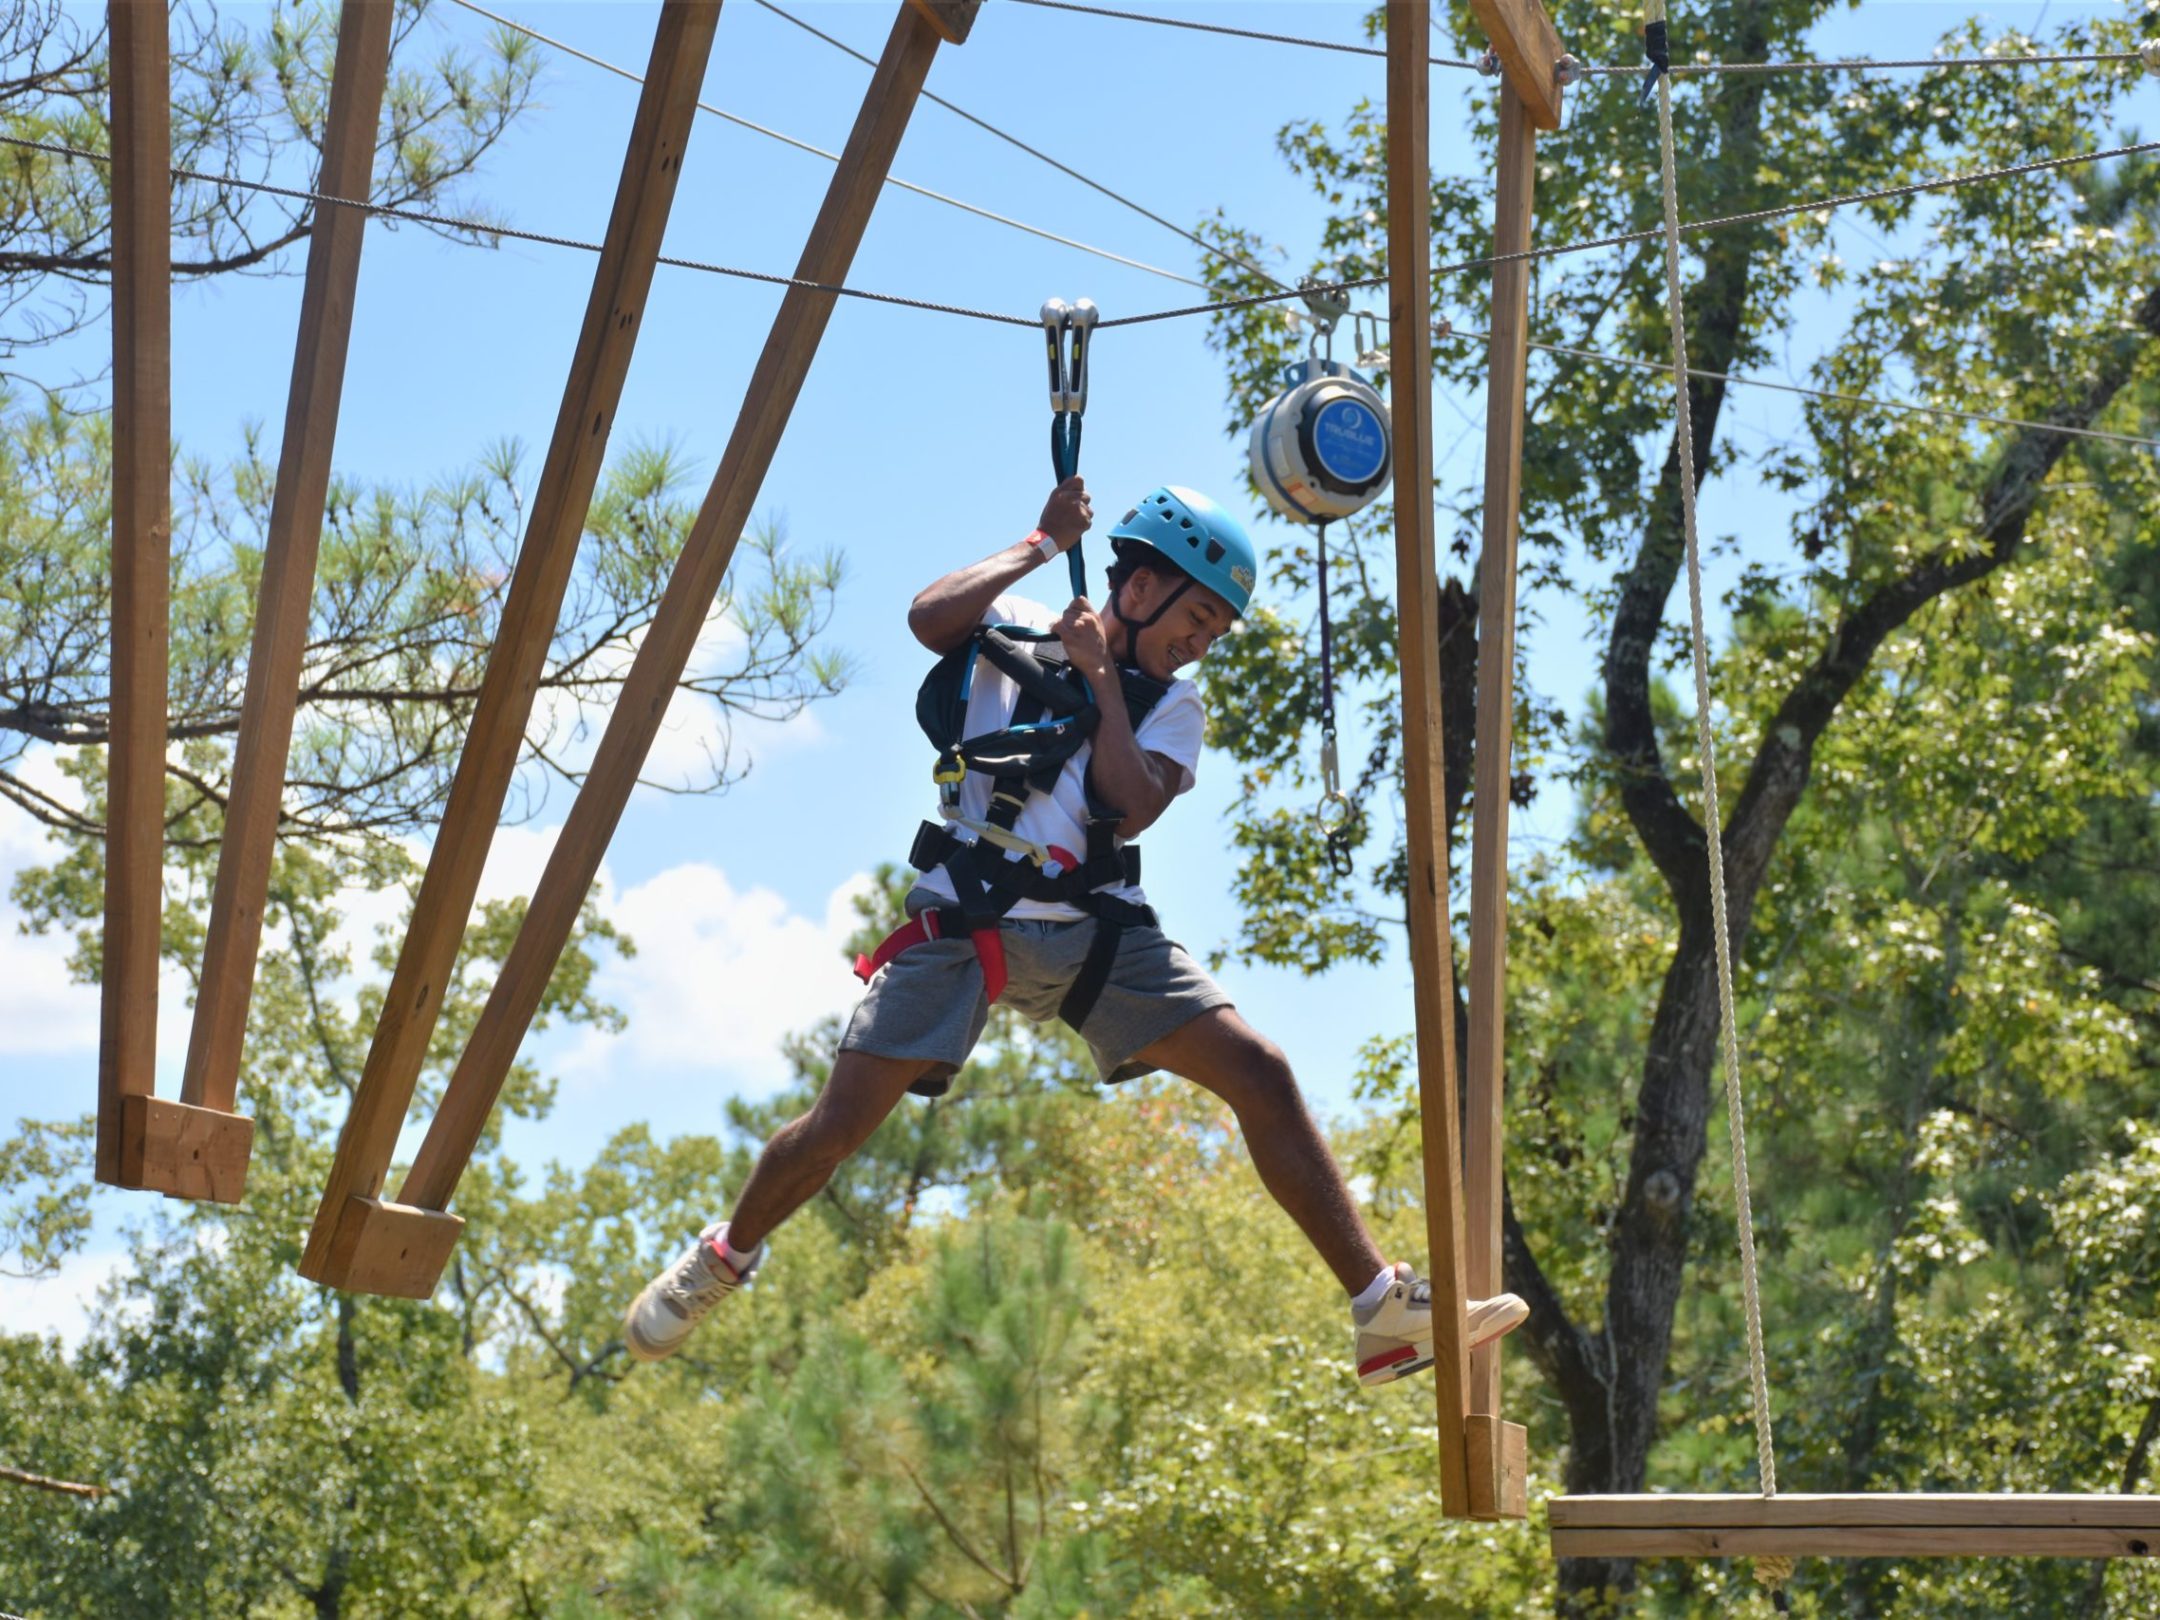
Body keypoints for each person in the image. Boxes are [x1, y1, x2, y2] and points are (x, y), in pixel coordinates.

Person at [623, 476, 1529, 1382]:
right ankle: (723, 1256)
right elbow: (926, 617)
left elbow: (1129, 805)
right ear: (1140, 588)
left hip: (1097, 934)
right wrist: (1043, 541)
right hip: (966, 920)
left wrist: (1101, 673)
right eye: (1197, 617)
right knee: (837, 1127)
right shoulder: (1013, 621)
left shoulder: (1175, 707)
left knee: (1261, 1070)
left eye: (1215, 632)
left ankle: (1380, 1309)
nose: (1201, 643)